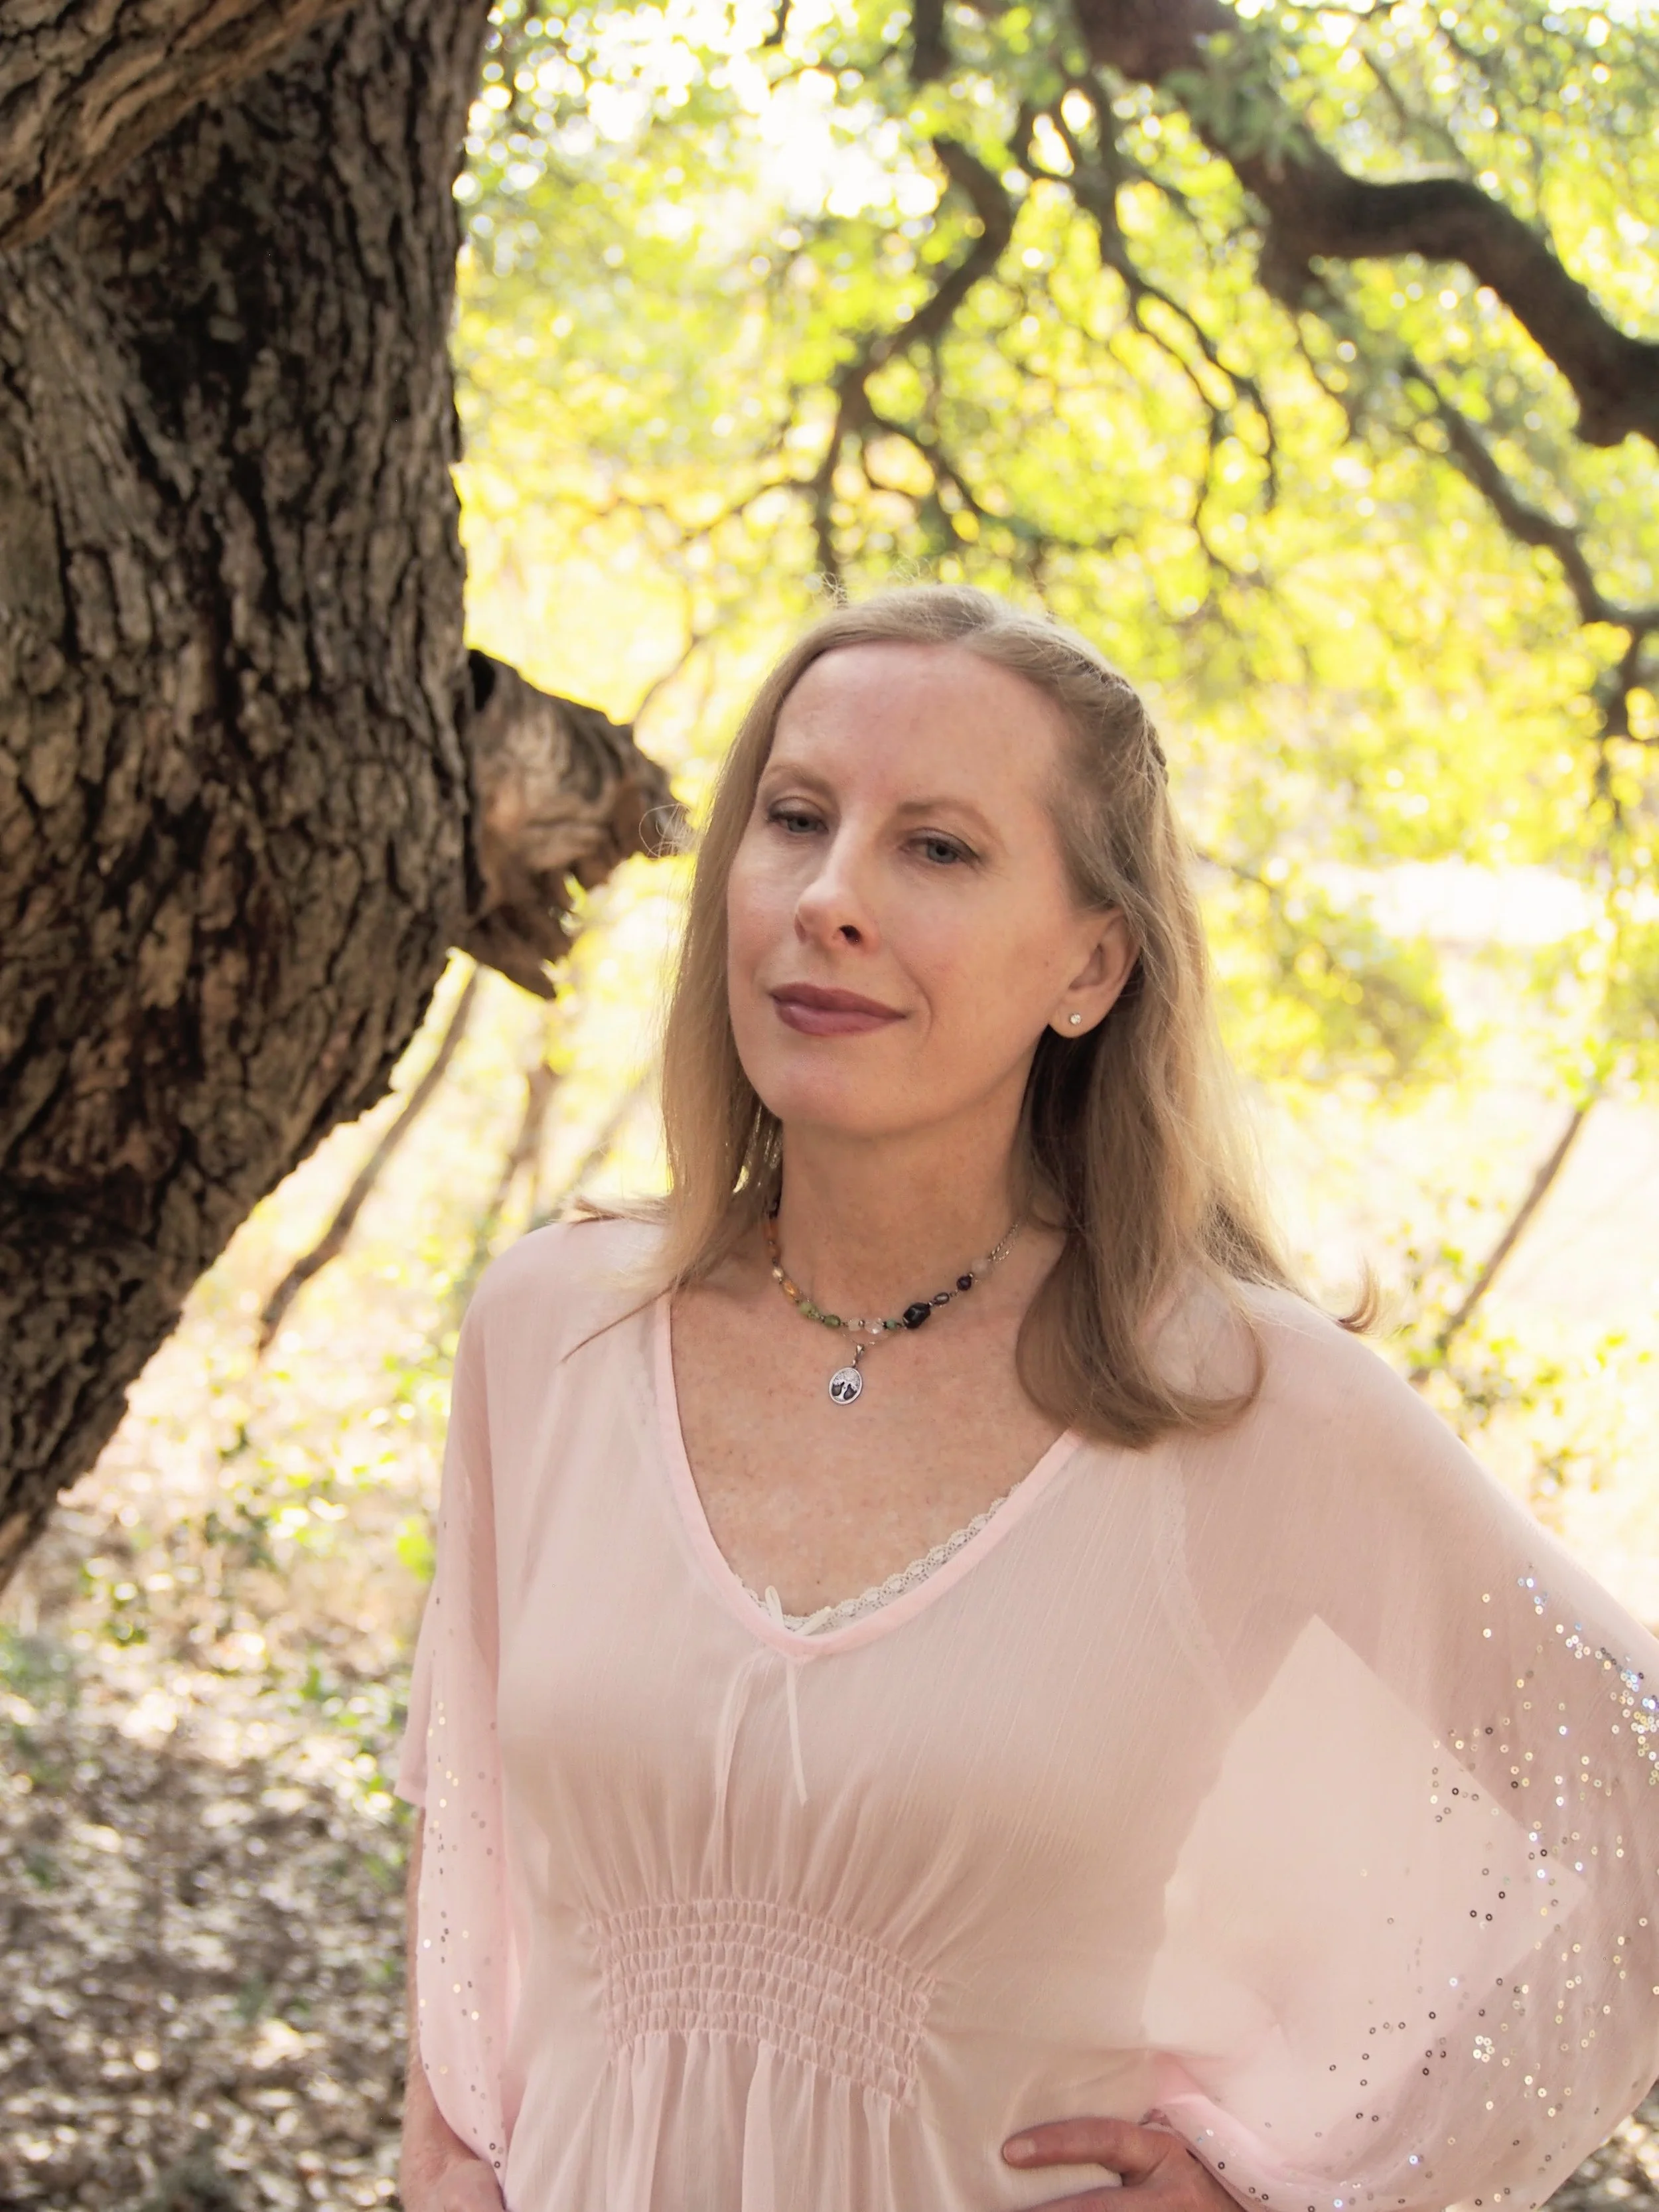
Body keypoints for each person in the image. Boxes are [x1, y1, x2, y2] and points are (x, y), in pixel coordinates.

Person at [396, 584, 1659, 2212]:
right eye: (794, 820)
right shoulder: (551, 1329)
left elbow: (1628, 1784)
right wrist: (443, 2163)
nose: (828, 897)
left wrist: (1273, 2191)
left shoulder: (1238, 1400)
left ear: (1089, 965)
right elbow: (472, 1870)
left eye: (935, 848)